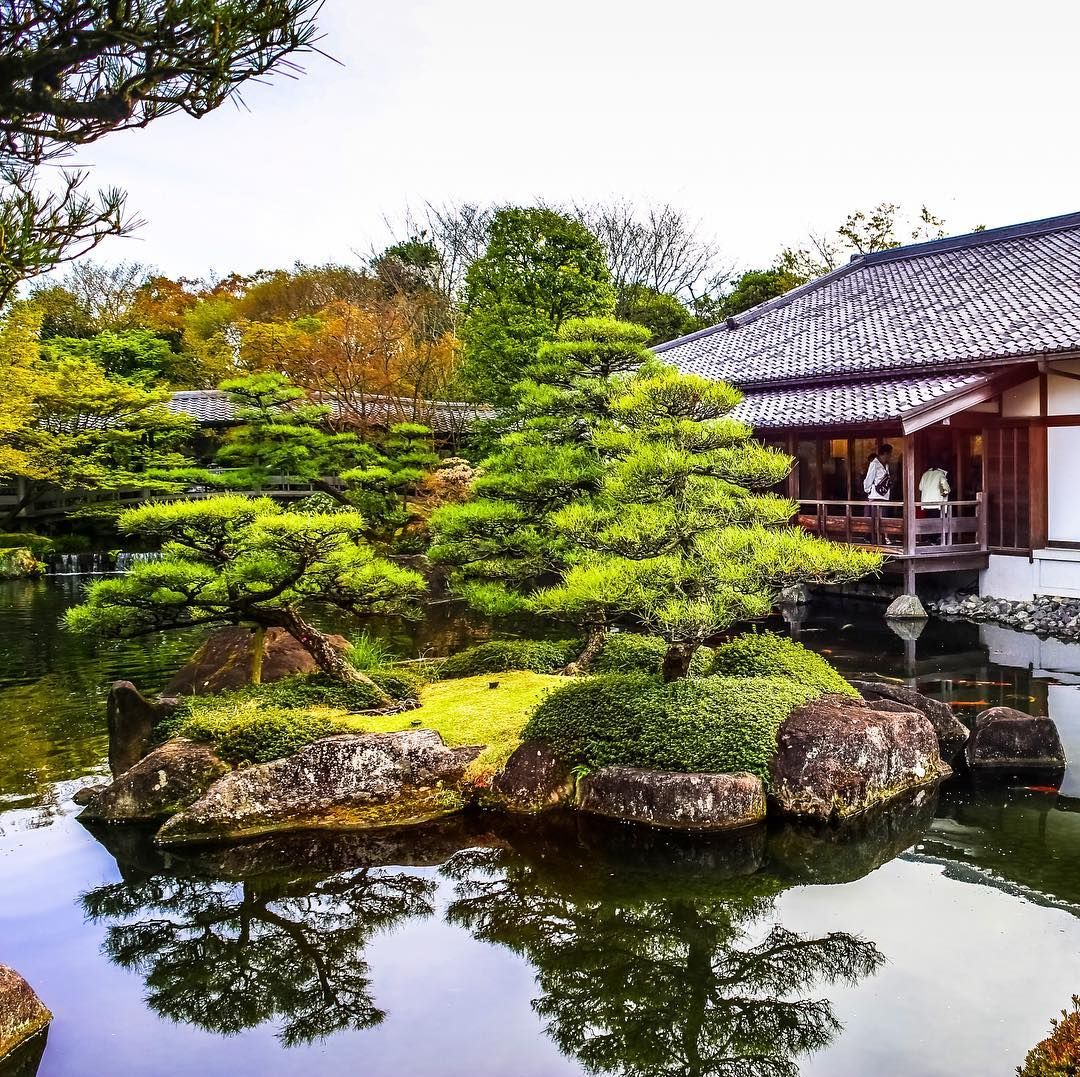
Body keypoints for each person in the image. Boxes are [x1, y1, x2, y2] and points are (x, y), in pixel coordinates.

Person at [863, 444, 894, 544]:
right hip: (875, 496)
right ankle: (875, 539)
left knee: (883, 517)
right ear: (885, 453)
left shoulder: (886, 465)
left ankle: (883, 538)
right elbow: (869, 479)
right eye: (890, 454)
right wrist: (868, 491)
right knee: (875, 519)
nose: (890, 456)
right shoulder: (874, 464)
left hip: (884, 496)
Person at [918, 462, 951, 544]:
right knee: (937, 522)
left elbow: (920, 487)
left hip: (926, 503)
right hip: (937, 503)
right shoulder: (940, 475)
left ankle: (930, 539)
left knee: (929, 521)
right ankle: (935, 540)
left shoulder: (925, 474)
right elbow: (946, 490)